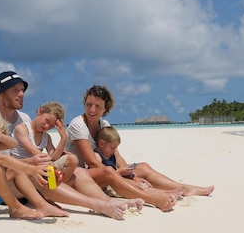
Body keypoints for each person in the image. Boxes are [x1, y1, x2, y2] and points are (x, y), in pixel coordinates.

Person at [0, 71, 143, 219]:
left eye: (22, 90)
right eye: (15, 90)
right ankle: (96, 205)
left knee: (79, 172)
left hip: (27, 176)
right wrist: (30, 164)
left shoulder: (23, 118)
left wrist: (60, 148)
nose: (22, 94)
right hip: (6, 182)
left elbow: (37, 147)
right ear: (0, 93)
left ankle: (108, 201)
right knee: (42, 174)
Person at [66, 85, 214, 212]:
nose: (92, 109)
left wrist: (132, 175)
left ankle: (185, 188)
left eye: (97, 106)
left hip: (104, 169)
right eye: (88, 104)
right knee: (109, 171)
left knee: (142, 167)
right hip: (81, 176)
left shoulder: (104, 125)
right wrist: (123, 175)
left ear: (105, 108)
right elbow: (92, 163)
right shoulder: (78, 125)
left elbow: (117, 157)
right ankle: (154, 198)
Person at [11, 101, 76, 186]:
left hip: (38, 165)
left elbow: (54, 157)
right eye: (47, 121)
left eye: (51, 126)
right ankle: (54, 190)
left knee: (73, 159)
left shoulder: (46, 136)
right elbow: (33, 151)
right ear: (40, 111)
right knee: (49, 164)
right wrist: (52, 158)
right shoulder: (22, 129)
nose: (46, 126)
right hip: (22, 167)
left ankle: (57, 188)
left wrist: (63, 138)